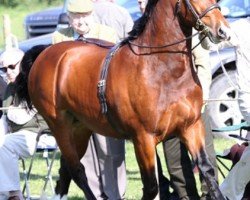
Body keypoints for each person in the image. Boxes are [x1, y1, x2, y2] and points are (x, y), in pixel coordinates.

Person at [135, 0, 219, 199]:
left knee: (205, 155)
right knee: (175, 161)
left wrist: (203, 95)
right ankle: (185, 196)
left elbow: (203, 63)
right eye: (139, 2)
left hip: (193, 102)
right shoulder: (144, 29)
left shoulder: (186, 22)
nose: (141, 5)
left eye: (145, 1)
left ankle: (210, 195)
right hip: (163, 108)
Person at [52, 0, 132, 199]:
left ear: (92, 15)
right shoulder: (59, 37)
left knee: (111, 151)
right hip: (75, 106)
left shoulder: (106, 34)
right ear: (69, 19)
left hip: (103, 105)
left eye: (84, 16)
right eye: (76, 17)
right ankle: (95, 195)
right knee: (85, 153)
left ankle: (115, 194)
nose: (81, 21)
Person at [201, 17, 250, 200]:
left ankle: (226, 193)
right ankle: (228, 191)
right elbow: (208, 44)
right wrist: (210, 30)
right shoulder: (242, 28)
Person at [0, 48, 49, 200]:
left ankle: (13, 194)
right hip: (17, 136)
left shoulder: (36, 83)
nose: (8, 72)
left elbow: (21, 117)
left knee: (5, 144)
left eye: (11, 67)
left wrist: (10, 112)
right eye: (3, 69)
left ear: (22, 63)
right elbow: (5, 118)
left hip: (40, 134)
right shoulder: (9, 88)